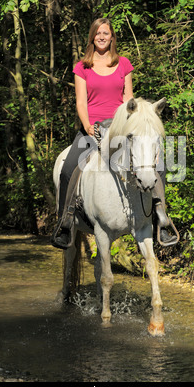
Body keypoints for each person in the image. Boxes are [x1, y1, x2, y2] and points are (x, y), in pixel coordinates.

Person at [51, 17, 178, 250]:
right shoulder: (82, 67)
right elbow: (80, 102)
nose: (101, 37)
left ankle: (161, 218)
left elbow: (128, 98)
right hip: (92, 128)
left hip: (120, 127)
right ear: (92, 36)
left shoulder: (123, 64)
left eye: (106, 33)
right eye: (98, 33)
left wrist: (132, 123)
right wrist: (88, 125)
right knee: (69, 167)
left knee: (156, 164)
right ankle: (65, 223)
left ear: (112, 37)